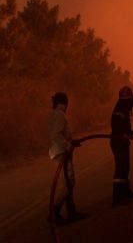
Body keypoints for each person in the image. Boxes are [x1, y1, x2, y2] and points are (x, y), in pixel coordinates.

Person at [47, 92, 87, 225]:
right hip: (62, 153)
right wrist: (67, 145)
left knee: (67, 183)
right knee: (68, 183)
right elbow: (57, 135)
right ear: (64, 102)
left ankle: (72, 212)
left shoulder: (54, 115)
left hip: (59, 151)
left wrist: (71, 141)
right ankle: (54, 214)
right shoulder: (60, 115)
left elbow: (59, 135)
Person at [110, 86, 133, 206]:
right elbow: (119, 131)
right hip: (118, 143)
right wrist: (126, 136)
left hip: (122, 143)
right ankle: (117, 198)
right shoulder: (119, 112)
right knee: (120, 170)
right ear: (127, 100)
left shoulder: (123, 110)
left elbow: (125, 129)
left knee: (125, 167)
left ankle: (126, 192)